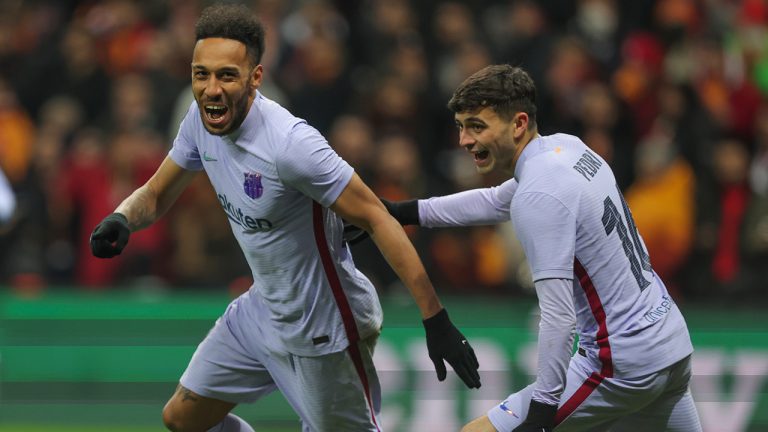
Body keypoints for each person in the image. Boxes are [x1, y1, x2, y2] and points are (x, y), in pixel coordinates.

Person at [89, 4, 480, 432]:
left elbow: (376, 216)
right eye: (201, 74)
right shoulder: (200, 122)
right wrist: (122, 217)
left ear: (255, 78)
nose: (211, 89)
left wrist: (435, 319)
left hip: (323, 326)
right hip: (262, 309)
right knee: (183, 419)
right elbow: (157, 193)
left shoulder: (291, 145)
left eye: (226, 75)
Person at [364, 65, 702, 431]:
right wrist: (404, 212)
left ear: (519, 123)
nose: (464, 139)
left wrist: (542, 411)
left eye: (477, 125)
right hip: (669, 341)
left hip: (620, 361)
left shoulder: (540, 193)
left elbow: (559, 317)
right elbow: (496, 200)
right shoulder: (568, 149)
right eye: (461, 126)